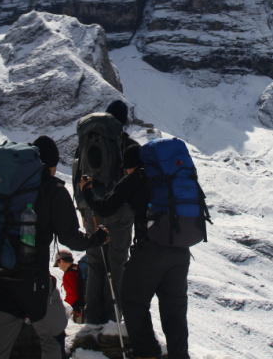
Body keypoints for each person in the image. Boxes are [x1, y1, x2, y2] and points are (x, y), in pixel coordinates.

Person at [0, 135, 108, 359]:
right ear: (52, 164)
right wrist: (97, 238)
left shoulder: (7, 185)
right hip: (33, 282)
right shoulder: (54, 191)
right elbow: (70, 238)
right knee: (53, 338)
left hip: (0, 278)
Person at [80, 144, 192, 359]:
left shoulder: (135, 178)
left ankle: (148, 353)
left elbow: (105, 208)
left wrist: (87, 190)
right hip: (180, 251)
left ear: (130, 166)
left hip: (151, 250)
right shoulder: (169, 176)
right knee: (174, 309)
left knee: (132, 300)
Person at [72, 100, 138, 337]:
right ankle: (114, 319)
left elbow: (77, 176)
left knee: (95, 261)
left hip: (92, 209)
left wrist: (83, 210)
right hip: (119, 211)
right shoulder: (128, 145)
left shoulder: (85, 143)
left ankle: (93, 319)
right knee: (117, 261)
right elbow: (137, 181)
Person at [55, 249, 83, 320]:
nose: (59, 267)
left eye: (58, 264)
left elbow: (72, 295)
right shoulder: (78, 269)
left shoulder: (69, 275)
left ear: (61, 261)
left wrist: (65, 306)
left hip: (78, 309)